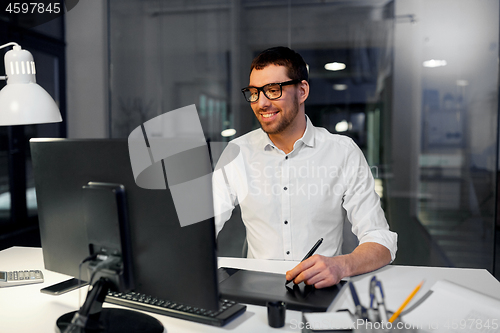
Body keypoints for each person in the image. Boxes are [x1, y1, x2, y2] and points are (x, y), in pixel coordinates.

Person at [212, 46, 397, 289]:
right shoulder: (237, 153)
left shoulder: (342, 152)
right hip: (257, 290)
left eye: (272, 90)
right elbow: (201, 228)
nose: (262, 102)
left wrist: (341, 265)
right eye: (255, 92)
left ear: (302, 91)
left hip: (322, 288)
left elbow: (381, 240)